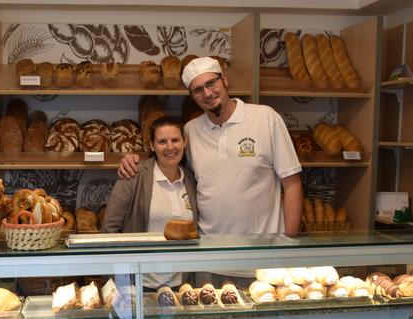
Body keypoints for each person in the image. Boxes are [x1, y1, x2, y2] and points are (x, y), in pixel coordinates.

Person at [119, 57, 303, 238]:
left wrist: (289, 240)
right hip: (209, 249)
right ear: (192, 97)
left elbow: (292, 183)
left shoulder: (265, 118)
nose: (207, 94)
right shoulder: (190, 130)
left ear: (224, 80)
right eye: (198, 90)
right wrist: (134, 160)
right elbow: (166, 164)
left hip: (262, 250)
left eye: (211, 83)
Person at [103, 115, 198, 289]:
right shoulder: (134, 175)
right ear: (152, 145)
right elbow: (109, 229)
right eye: (162, 142)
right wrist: (120, 281)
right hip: (140, 283)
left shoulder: (191, 179)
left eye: (175, 140)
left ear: (184, 142)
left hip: (180, 283)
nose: (170, 147)